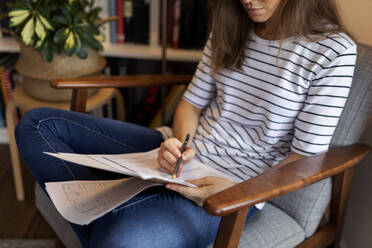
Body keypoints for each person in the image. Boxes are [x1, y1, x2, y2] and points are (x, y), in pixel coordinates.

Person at [15, 0, 357, 247]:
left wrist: (234, 192)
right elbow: (191, 104)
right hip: (180, 159)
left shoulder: (332, 50)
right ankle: (100, 206)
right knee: (37, 123)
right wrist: (181, 147)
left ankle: (97, 207)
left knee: (122, 238)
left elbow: (304, 160)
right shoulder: (232, 23)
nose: (247, 1)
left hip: (231, 190)